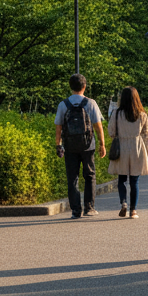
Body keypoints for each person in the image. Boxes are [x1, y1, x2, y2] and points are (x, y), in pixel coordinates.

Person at [54, 74, 106, 219]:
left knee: (72, 177)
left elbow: (58, 127)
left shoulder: (63, 104)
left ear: (70, 87)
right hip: (88, 145)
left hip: (70, 146)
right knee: (89, 175)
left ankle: (76, 210)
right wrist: (102, 144)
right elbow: (98, 126)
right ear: (84, 86)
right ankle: (89, 208)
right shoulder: (91, 103)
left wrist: (58, 145)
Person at [107, 86, 148, 218]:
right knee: (134, 181)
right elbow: (147, 135)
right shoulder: (142, 115)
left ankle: (123, 203)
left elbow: (111, 132)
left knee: (121, 179)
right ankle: (133, 210)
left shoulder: (116, 113)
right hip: (137, 147)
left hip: (121, 147)